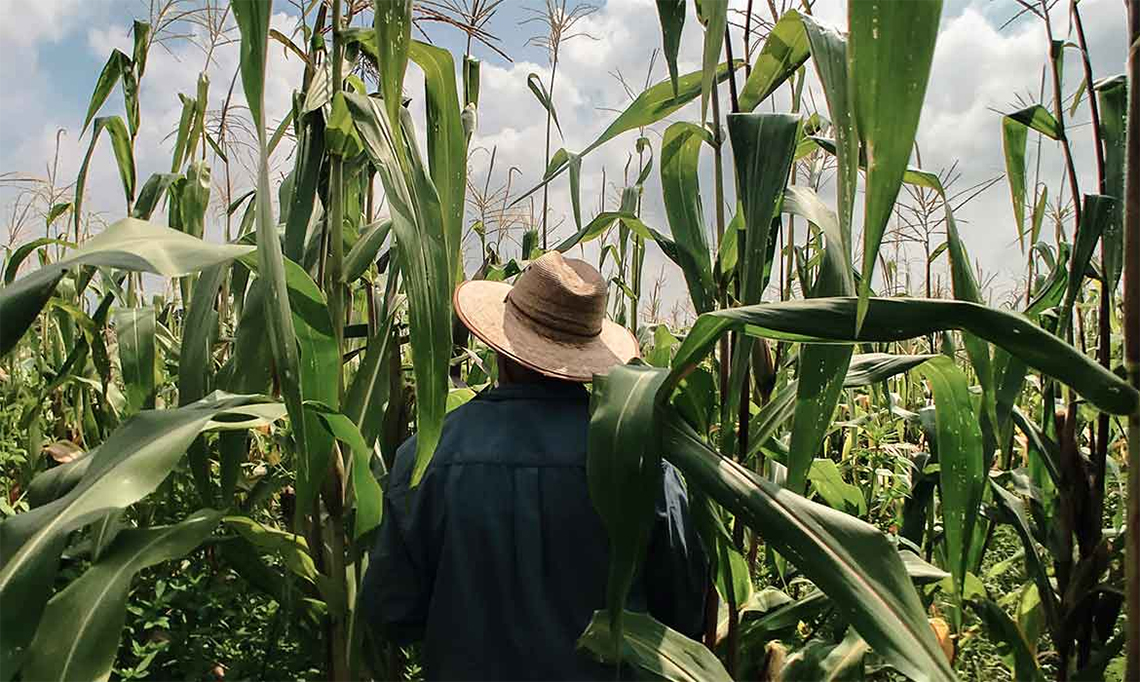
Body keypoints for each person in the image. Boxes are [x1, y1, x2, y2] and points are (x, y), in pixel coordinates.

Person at [360, 252, 709, 681]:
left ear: (501, 344)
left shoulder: (428, 457)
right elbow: (685, 615)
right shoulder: (641, 463)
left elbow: (390, 611)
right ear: (588, 357)